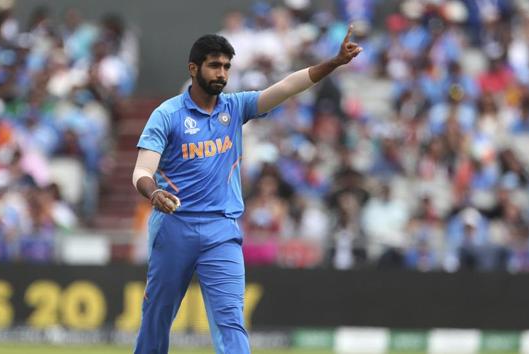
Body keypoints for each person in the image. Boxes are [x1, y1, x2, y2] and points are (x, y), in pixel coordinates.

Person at [131, 26, 361, 354]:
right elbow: (141, 170)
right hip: (174, 227)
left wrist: (334, 63)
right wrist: (154, 193)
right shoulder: (167, 115)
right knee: (156, 317)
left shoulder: (235, 108)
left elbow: (287, 86)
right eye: (214, 65)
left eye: (226, 66)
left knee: (230, 319)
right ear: (193, 68)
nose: (222, 73)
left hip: (221, 230)